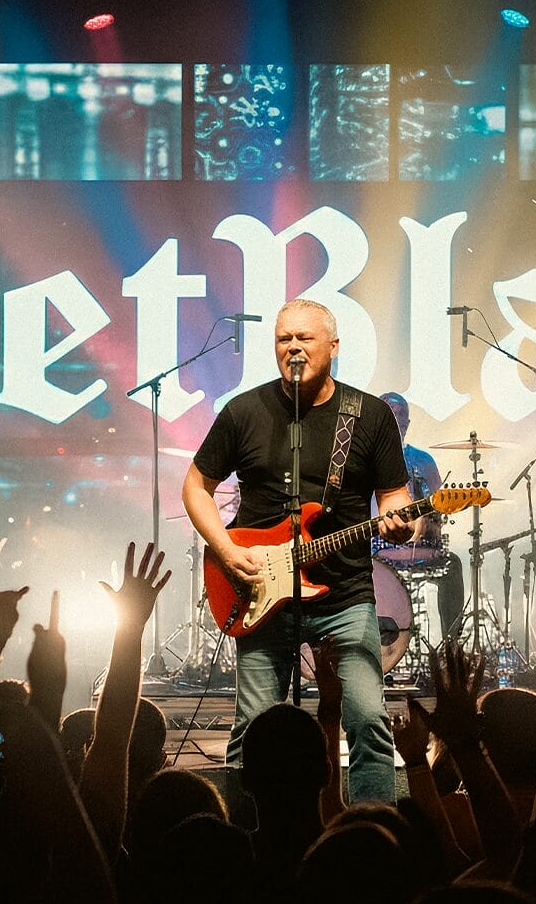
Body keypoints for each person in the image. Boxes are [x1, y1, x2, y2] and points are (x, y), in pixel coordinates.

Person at [182, 298, 417, 803]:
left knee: (369, 722)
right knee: (252, 729)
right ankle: (251, 841)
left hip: (346, 595)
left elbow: (395, 495)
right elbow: (195, 486)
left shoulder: (369, 415)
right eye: (283, 339)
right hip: (260, 592)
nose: (293, 348)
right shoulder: (243, 411)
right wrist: (224, 551)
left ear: (332, 346)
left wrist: (403, 525)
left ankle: (370, 836)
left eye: (304, 339)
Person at [376, 391, 466, 645]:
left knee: (453, 565)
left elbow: (437, 513)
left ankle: (451, 647)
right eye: (388, 416)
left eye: (400, 417)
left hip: (420, 550)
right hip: (372, 551)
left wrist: (432, 524)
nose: (395, 423)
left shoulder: (424, 461)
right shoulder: (364, 458)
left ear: (408, 424)